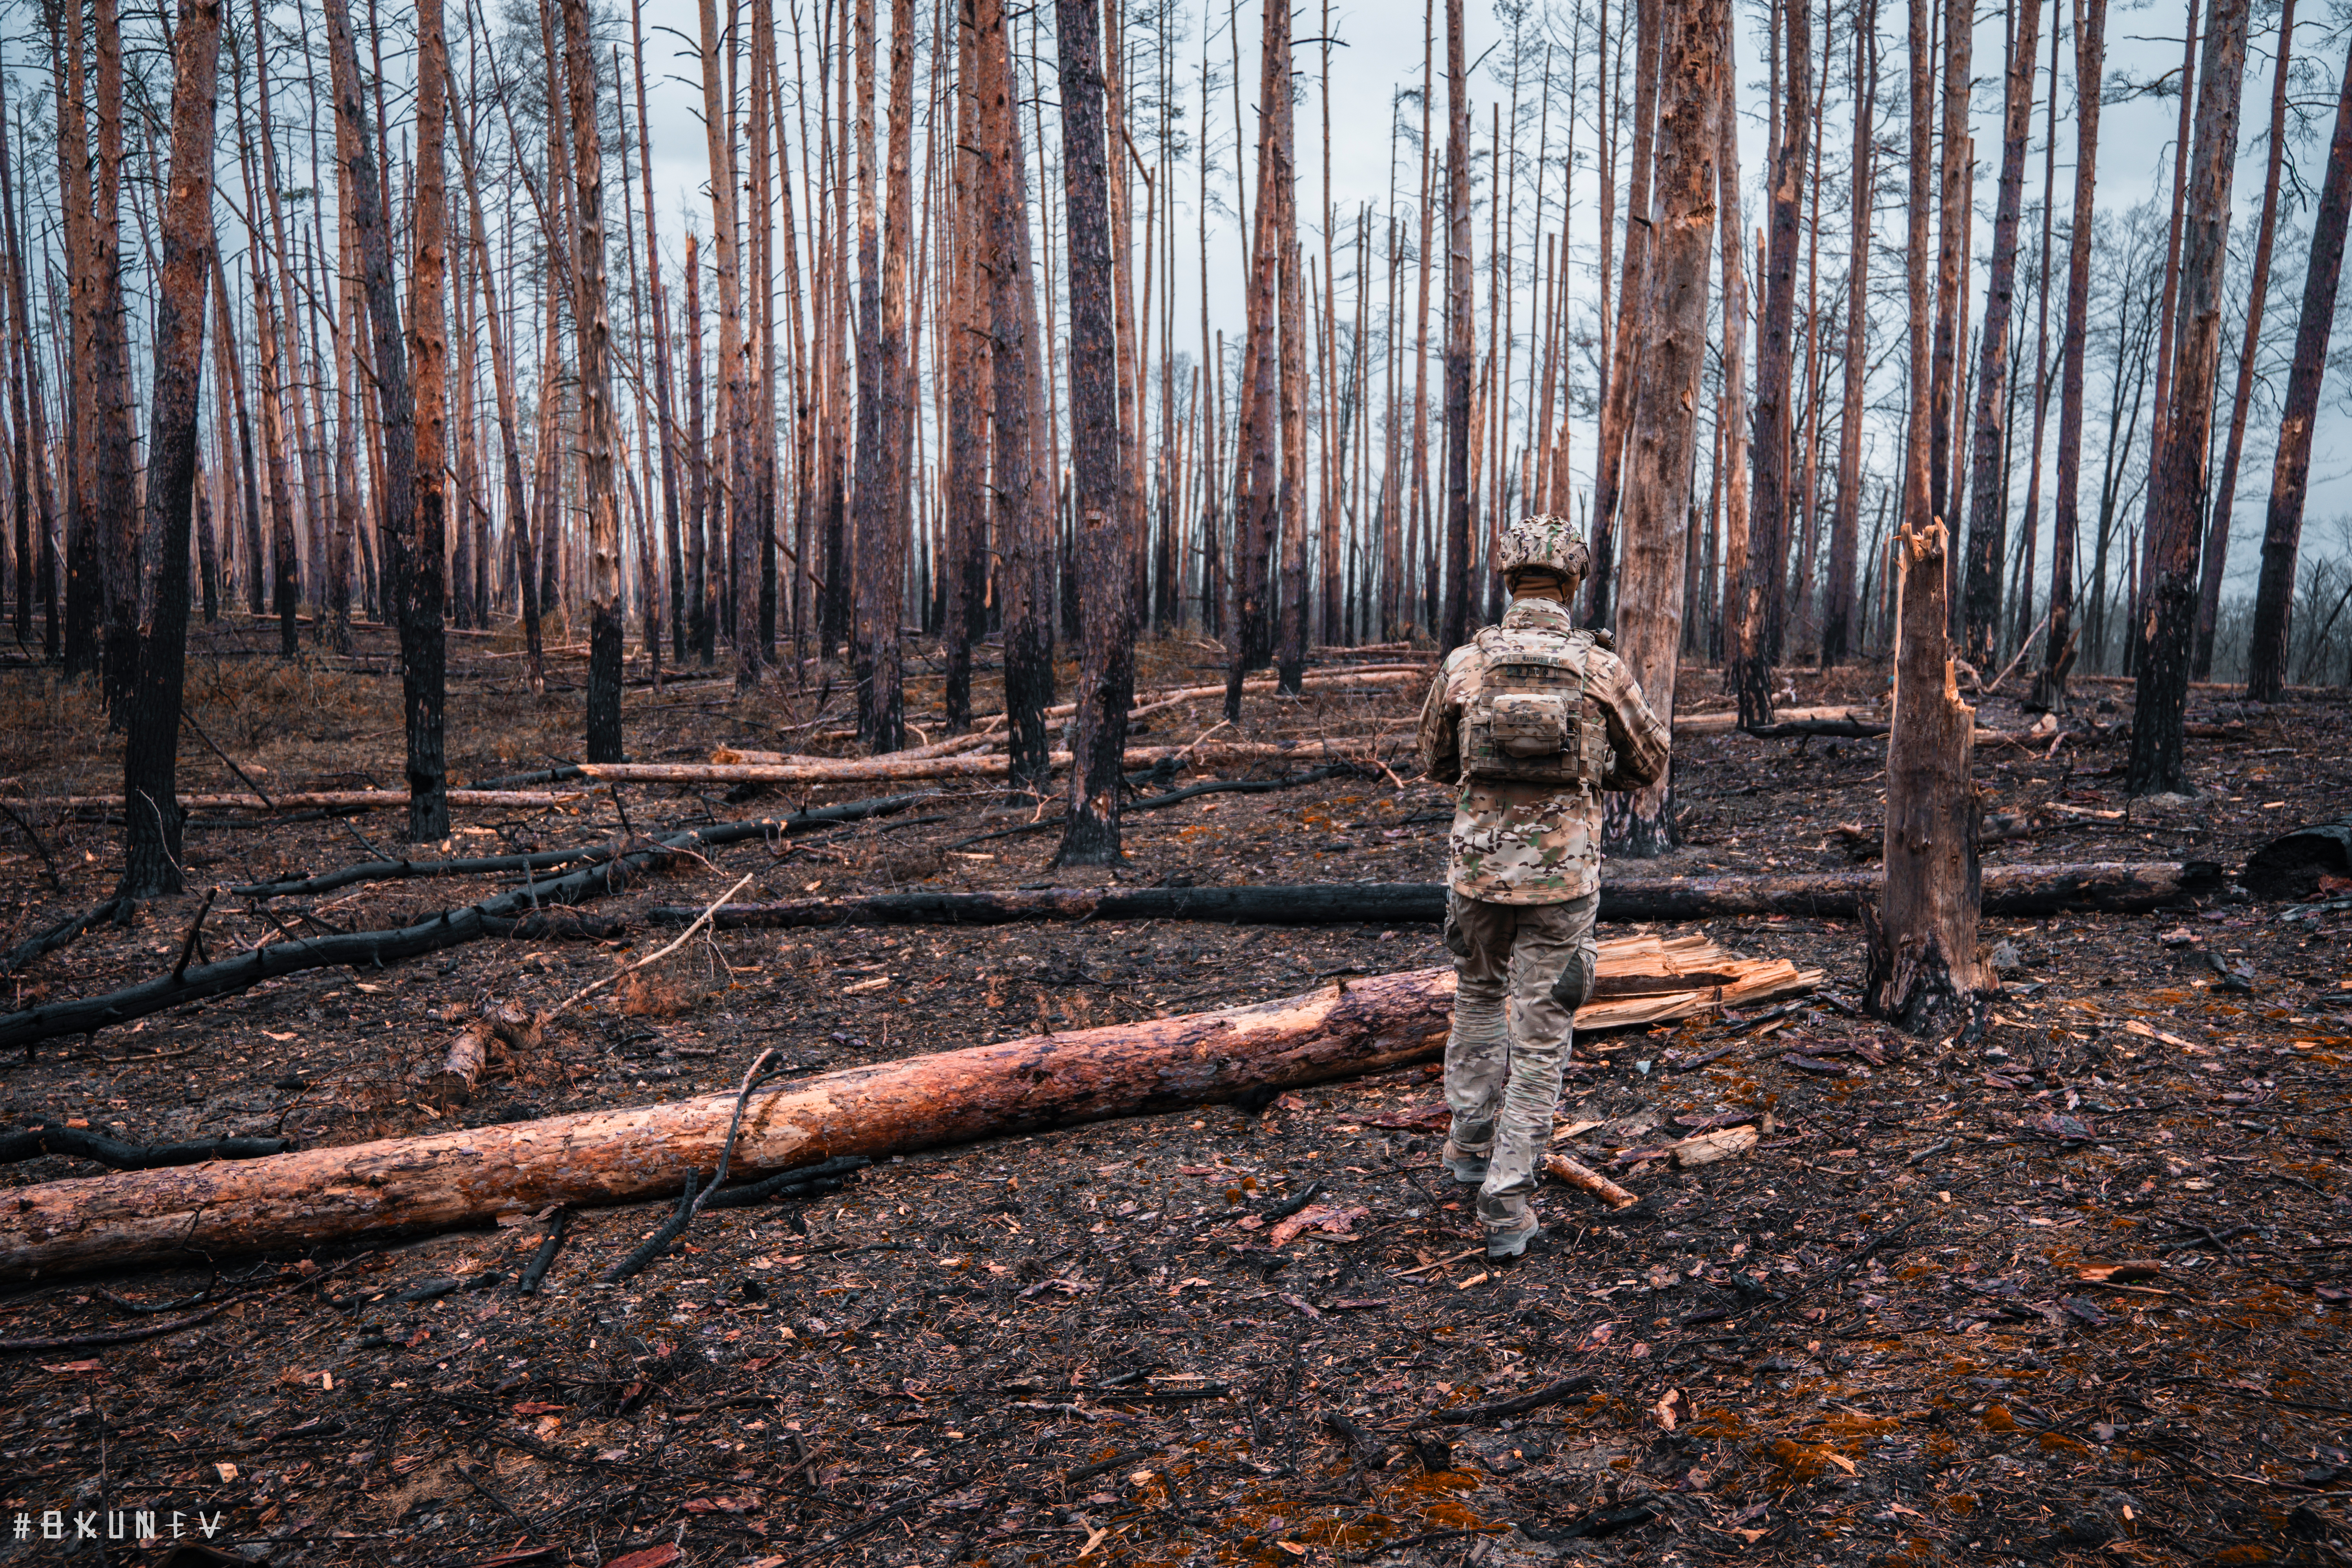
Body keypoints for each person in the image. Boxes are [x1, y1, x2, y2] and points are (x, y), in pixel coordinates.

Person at [1414, 516, 1671, 1259]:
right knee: (1541, 1037)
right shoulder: (1600, 669)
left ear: (1508, 575)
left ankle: (1467, 1148)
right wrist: (1591, 773)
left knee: (1478, 999)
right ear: (1572, 579)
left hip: (1477, 875)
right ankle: (1507, 1203)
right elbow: (1651, 762)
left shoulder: (1468, 665)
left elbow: (1432, 760)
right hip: (1563, 882)